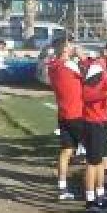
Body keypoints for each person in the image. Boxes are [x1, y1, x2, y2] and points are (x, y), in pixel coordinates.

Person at [81, 41, 107, 213]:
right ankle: (91, 201)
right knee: (93, 162)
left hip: (100, 118)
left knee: (100, 162)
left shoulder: (103, 67)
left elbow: (96, 94)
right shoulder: (98, 67)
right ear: (106, 52)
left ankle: (100, 196)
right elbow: (86, 94)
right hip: (93, 120)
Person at [47, 38, 85, 199]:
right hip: (77, 113)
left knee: (66, 151)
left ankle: (62, 188)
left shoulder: (53, 66)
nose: (73, 47)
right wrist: (82, 57)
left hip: (63, 114)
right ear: (64, 49)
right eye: (69, 45)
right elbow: (88, 76)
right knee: (96, 153)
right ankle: (95, 190)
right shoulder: (69, 64)